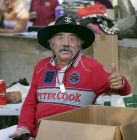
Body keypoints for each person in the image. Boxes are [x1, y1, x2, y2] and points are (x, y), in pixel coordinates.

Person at [0, 15, 131, 140]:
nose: (66, 43)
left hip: (74, 135)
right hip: (39, 133)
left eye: (72, 38)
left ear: (79, 45)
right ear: (51, 44)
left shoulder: (92, 68)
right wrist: (24, 127)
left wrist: (121, 83)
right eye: (60, 38)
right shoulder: (41, 66)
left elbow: (125, 90)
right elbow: (30, 103)